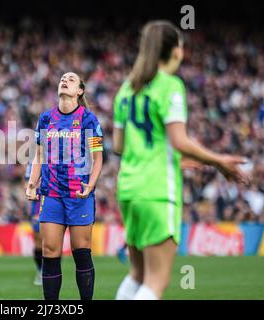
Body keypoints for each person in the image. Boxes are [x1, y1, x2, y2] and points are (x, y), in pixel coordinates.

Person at [113, 21, 250, 300]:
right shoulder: (170, 86)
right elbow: (179, 140)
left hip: (128, 189)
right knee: (156, 283)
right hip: (157, 191)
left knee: (136, 275)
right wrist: (218, 160)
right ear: (176, 51)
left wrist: (172, 160)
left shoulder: (126, 89)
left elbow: (118, 146)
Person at [26, 72, 104, 300]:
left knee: (81, 253)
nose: (65, 79)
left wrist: (90, 186)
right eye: (62, 77)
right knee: (50, 252)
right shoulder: (45, 118)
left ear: (80, 91)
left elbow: (97, 158)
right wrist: (32, 183)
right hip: (50, 194)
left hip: (79, 195)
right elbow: (39, 155)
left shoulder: (89, 119)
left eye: (71, 78)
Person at [24, 162, 43, 286]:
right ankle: (40, 270)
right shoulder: (33, 162)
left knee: (53, 240)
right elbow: (27, 182)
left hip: (55, 199)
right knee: (38, 241)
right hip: (37, 202)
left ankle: (49, 271)